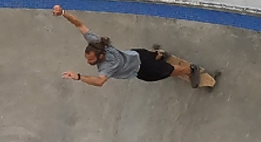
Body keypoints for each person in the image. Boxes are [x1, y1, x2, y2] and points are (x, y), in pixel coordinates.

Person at [52, 5, 200, 88]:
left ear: (101, 56)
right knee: (150, 55)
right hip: (137, 53)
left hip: (142, 69)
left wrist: (78, 77)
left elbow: (99, 82)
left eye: (91, 60)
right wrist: (63, 13)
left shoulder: (107, 66)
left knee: (169, 71)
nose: (88, 62)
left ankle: (191, 70)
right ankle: (159, 54)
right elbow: (80, 25)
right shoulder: (98, 43)